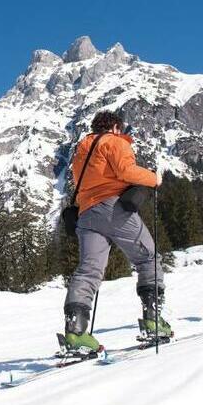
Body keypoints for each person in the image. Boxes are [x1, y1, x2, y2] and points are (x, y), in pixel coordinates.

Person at [63, 110, 169, 353]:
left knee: (89, 270)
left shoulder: (82, 149)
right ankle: (153, 321)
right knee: (148, 258)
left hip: (86, 214)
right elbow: (126, 171)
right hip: (113, 209)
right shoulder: (114, 142)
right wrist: (154, 179)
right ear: (115, 127)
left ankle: (76, 332)